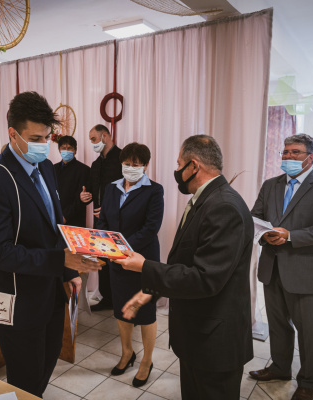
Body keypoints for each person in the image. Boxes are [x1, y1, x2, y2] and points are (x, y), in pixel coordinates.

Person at [0, 91, 101, 397]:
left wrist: (68, 272)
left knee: (47, 362)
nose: (43, 145)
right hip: (17, 299)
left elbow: (54, 225)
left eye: (46, 137)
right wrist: (60, 261)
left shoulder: (45, 167)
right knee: (25, 378)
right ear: (13, 134)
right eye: (35, 138)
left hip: (50, 291)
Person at [118, 135, 254, 400]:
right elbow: (185, 262)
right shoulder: (206, 199)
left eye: (179, 164)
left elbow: (205, 278)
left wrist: (144, 266)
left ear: (193, 166)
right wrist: (151, 290)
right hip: (197, 335)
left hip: (214, 341)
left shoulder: (223, 206)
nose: (177, 170)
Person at [249, 134, 313, 400]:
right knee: (278, 325)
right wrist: (264, 235)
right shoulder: (271, 185)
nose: (288, 157)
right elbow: (255, 217)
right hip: (272, 267)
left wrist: (290, 235)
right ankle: (280, 368)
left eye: (295, 152)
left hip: (306, 271)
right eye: (285, 152)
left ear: (310, 157)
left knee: (308, 331)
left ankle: (309, 382)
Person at [96, 142, 164, 387]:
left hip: (143, 260)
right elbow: (103, 221)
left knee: (145, 312)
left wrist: (122, 248)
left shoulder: (154, 190)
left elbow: (151, 227)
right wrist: (106, 246)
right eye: (126, 164)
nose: (130, 168)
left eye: (136, 164)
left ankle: (147, 360)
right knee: (122, 308)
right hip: (116, 259)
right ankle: (127, 352)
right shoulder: (111, 188)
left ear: (146, 166)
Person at [81, 124, 123, 311]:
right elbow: (91, 191)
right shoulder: (95, 164)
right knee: (103, 261)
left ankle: (121, 301)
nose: (92, 143)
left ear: (105, 136)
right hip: (100, 223)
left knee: (119, 263)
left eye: (93, 139)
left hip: (119, 221)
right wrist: (84, 196)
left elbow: (129, 192)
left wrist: (109, 209)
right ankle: (107, 299)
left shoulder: (123, 159)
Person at [54, 135, 90, 227]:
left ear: (75, 150)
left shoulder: (84, 170)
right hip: (55, 217)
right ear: (59, 150)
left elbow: (82, 198)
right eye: (63, 148)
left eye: (69, 148)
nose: (66, 150)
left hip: (75, 220)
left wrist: (66, 216)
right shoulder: (53, 169)